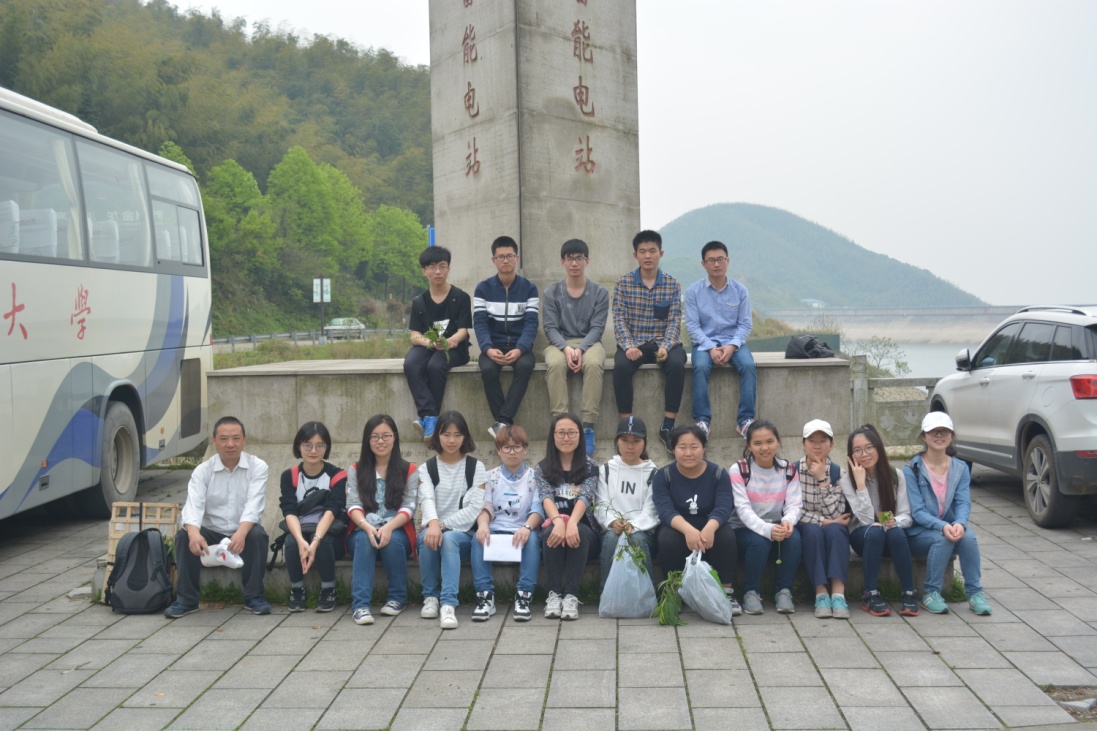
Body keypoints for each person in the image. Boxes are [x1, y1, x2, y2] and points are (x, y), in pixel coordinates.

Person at [166, 416, 270, 618]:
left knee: (257, 535)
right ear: (214, 440)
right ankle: (186, 600)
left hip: (243, 530)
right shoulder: (203, 471)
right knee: (184, 536)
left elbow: (254, 505)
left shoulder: (258, 467)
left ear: (244, 440)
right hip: (211, 532)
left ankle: (254, 597)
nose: (230, 444)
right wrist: (194, 534)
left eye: (236, 438)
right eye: (224, 439)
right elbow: (193, 505)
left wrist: (241, 534)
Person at [904, 412, 993, 616]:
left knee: (968, 537)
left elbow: (963, 502)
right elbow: (917, 512)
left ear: (951, 436)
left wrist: (960, 523)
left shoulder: (960, 468)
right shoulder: (912, 469)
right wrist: (942, 526)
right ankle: (931, 593)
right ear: (924, 436)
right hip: (919, 533)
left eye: (944, 431)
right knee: (942, 538)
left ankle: (975, 593)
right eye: (933, 431)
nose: (939, 435)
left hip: (950, 527)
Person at [652, 424, 741, 615]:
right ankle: (674, 591)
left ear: (704, 447)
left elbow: (724, 506)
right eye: (682, 447)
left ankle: (727, 592)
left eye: (694, 447)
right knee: (667, 538)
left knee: (726, 534)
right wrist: (688, 530)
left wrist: (710, 527)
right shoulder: (663, 476)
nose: (688, 453)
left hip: (710, 524)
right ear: (673, 449)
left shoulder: (718, 474)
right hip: (678, 526)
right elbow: (665, 510)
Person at [611, 230, 686, 451]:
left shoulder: (672, 284)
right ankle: (626, 426)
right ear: (635, 255)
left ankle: (668, 426)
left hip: (663, 342)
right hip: (634, 343)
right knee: (621, 367)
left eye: (652, 251)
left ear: (660, 253)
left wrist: (666, 346)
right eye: (642, 251)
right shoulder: (623, 283)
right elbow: (619, 319)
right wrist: (628, 346)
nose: (647, 256)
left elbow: (675, 321)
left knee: (676, 364)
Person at [418, 411, 489, 629]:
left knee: (448, 538)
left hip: (463, 534)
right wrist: (433, 525)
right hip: (433, 530)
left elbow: (474, 508)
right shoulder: (426, 468)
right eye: (446, 434)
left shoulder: (476, 467)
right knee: (426, 537)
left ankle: (448, 604)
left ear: (465, 437)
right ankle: (430, 597)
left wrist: (441, 526)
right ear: (437, 436)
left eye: (457, 435)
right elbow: (426, 499)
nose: (451, 440)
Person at [347, 415, 419, 626]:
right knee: (364, 540)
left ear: (394, 437)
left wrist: (388, 527)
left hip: (398, 530)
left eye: (386, 436)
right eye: (375, 437)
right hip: (362, 529)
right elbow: (352, 504)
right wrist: (367, 527)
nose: (381, 441)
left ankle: (397, 597)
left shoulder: (409, 470)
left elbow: (409, 506)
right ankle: (360, 605)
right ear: (367, 440)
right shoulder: (356, 469)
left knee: (393, 541)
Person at [542, 238, 610, 455]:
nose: (574, 263)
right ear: (562, 262)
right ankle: (560, 424)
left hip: (590, 342)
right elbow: (550, 328)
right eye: (569, 258)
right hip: (559, 343)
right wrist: (566, 348)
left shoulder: (600, 292)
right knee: (554, 364)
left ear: (587, 261)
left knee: (594, 363)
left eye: (579, 258)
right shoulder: (551, 292)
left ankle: (588, 426)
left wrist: (580, 350)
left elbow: (597, 328)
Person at [684, 240, 757, 439]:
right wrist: (710, 348)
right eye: (711, 260)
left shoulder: (740, 290)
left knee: (748, 365)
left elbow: (745, 324)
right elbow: (692, 326)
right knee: (700, 367)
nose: (716, 264)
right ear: (703, 264)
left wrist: (732, 346)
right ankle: (702, 421)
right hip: (704, 343)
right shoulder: (693, 291)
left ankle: (745, 421)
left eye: (720, 259)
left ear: (728, 261)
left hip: (733, 341)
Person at [729, 420, 802, 615]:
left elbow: (794, 504)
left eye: (770, 441)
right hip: (743, 529)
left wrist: (788, 521)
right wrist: (767, 530)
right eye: (757, 443)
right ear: (749, 445)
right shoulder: (739, 470)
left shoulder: (788, 469)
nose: (764, 448)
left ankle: (784, 591)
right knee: (759, 541)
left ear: (778, 441)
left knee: (794, 537)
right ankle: (751, 592)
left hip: (776, 525)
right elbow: (743, 509)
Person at [844, 423, 918, 617]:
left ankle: (909, 592)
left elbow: (906, 515)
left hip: (889, 534)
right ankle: (870, 593)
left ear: (878, 447)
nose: (864, 454)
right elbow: (866, 520)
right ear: (851, 454)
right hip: (863, 538)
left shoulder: (895, 475)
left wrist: (895, 522)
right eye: (857, 450)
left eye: (869, 447)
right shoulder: (847, 480)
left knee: (896, 533)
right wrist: (861, 485)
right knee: (875, 531)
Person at [472, 424, 543, 622]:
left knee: (533, 540)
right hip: (496, 530)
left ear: (525, 449)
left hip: (523, 530)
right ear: (498, 450)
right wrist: (483, 526)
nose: (512, 452)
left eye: (517, 447)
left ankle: (524, 596)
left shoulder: (535, 477)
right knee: (478, 538)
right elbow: (485, 507)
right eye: (507, 447)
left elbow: (538, 508)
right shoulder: (490, 477)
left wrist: (527, 527)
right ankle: (485, 597)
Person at [473, 236, 539, 438]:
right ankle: (505, 423)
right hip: (493, 346)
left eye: (509, 256)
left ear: (516, 258)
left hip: (520, 347)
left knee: (525, 366)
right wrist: (488, 348)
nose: (505, 260)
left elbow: (531, 324)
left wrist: (520, 349)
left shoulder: (529, 288)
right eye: (500, 257)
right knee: (488, 370)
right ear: (493, 260)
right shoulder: (483, 288)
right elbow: (480, 323)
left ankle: (501, 422)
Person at [279, 421, 347, 613]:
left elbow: (332, 511)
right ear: (298, 446)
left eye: (320, 445)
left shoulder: (337, 475)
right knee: (291, 541)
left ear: (327, 447)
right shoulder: (289, 476)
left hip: (329, 535)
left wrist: (314, 541)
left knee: (323, 540)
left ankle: (328, 589)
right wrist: (302, 541)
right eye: (307, 445)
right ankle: (297, 589)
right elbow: (289, 511)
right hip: (301, 530)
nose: (313, 451)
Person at [536, 412, 600, 620]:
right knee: (550, 533)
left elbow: (585, 496)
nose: (566, 438)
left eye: (572, 433)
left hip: (585, 532)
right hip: (554, 528)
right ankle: (554, 595)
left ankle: (571, 595)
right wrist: (558, 522)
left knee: (578, 531)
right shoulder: (542, 468)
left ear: (580, 436)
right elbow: (546, 497)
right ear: (553, 436)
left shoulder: (591, 467)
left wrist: (571, 522)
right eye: (561, 433)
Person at [404, 246, 472, 440]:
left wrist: (450, 342)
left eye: (442, 266)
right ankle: (430, 416)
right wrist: (431, 343)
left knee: (435, 365)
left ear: (448, 269)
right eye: (432, 267)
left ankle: (428, 418)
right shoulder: (419, 302)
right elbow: (414, 336)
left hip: (455, 349)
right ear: (424, 271)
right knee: (411, 363)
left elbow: (463, 331)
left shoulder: (460, 297)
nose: (438, 271)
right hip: (429, 346)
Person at [796, 419, 856, 619]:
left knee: (837, 530)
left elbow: (837, 513)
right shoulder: (792, 471)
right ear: (803, 443)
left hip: (833, 526)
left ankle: (838, 594)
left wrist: (823, 480)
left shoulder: (839, 473)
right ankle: (821, 593)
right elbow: (793, 510)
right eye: (811, 440)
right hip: (806, 526)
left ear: (831, 445)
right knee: (813, 531)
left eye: (823, 441)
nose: (817, 445)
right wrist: (824, 522)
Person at [593, 417, 660, 592]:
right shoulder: (606, 470)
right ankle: (607, 594)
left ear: (645, 442)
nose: (630, 446)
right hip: (612, 530)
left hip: (643, 532)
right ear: (617, 441)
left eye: (636, 441)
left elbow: (652, 510)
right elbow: (600, 503)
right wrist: (612, 522)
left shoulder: (653, 473)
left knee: (636, 538)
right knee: (611, 537)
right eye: (625, 440)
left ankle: (647, 594)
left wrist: (634, 525)